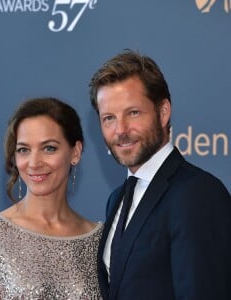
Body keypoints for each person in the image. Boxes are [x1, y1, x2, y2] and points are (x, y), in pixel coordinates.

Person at [89, 49, 231, 300]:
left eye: (133, 113)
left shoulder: (198, 193)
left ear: (163, 112)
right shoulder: (117, 199)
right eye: (108, 118)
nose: (120, 130)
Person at [0, 97, 103, 299]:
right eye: (24, 150)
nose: (34, 162)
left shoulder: (100, 240)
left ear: (75, 152)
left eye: (49, 148)